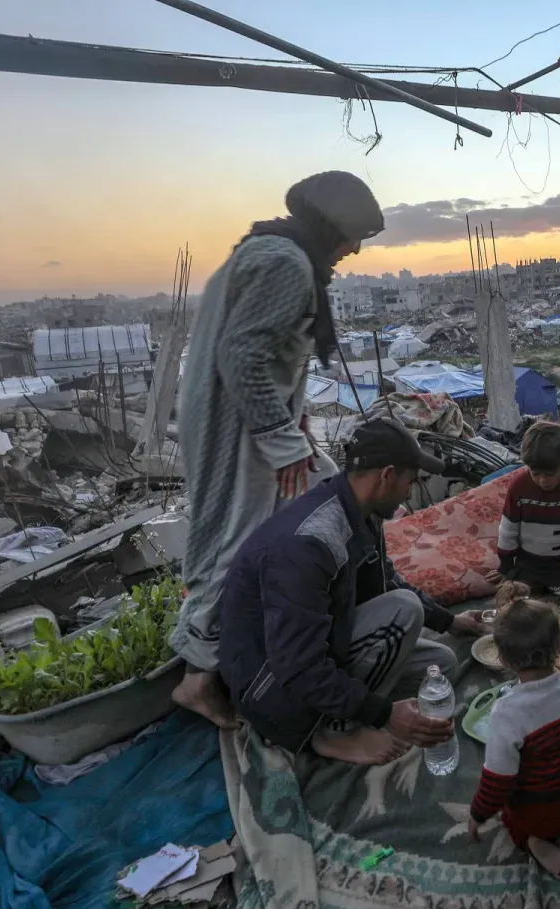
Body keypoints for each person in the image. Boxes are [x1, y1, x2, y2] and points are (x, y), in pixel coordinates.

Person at [171, 171, 384, 728]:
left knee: (327, 494)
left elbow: (268, 352)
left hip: (251, 421)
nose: (354, 250)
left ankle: (304, 623)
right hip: (238, 429)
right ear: (329, 226)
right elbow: (242, 356)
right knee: (234, 538)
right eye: (352, 236)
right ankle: (199, 674)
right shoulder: (286, 264)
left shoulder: (271, 250)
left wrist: (296, 418)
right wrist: (283, 440)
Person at [216, 417, 490, 765]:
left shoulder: (361, 512)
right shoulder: (310, 543)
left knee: (441, 664)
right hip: (270, 686)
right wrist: (383, 715)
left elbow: (384, 580)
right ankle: (334, 730)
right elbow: (297, 665)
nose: (411, 490)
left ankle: (346, 708)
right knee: (403, 611)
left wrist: (450, 622)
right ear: (387, 476)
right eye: (411, 480)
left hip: (323, 643)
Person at [467, 599, 560, 880]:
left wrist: (477, 814)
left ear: (502, 659)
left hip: (537, 813)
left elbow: (497, 782)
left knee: (514, 820)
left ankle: (534, 841)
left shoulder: (505, 711)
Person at [493, 421, 560, 599]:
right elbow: (508, 529)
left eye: (550, 474)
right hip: (528, 564)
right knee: (514, 604)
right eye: (535, 473)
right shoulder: (519, 486)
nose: (542, 481)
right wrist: (505, 567)